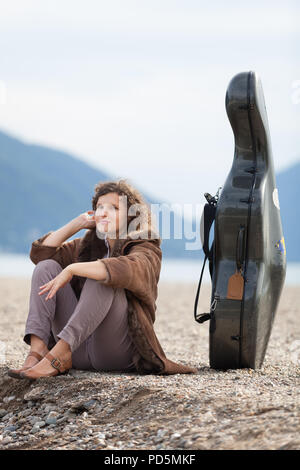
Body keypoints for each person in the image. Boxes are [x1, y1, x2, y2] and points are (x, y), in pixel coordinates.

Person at [8, 179, 198, 380]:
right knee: (46, 267)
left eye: (114, 208)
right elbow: (39, 255)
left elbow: (128, 269)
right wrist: (77, 224)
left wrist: (73, 268)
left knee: (103, 276)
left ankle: (60, 354)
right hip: (79, 349)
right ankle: (38, 353)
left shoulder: (146, 246)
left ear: (131, 216)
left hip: (115, 351)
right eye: (99, 207)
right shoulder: (86, 245)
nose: (103, 212)